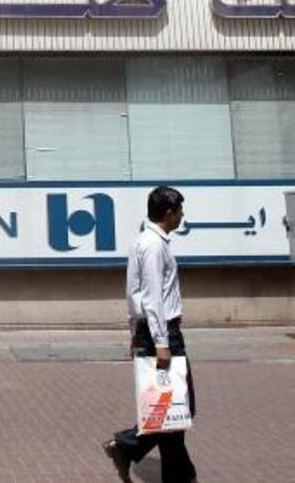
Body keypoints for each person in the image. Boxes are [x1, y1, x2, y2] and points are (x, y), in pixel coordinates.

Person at [103, 186, 197, 483]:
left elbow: (134, 293)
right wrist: (161, 343)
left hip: (150, 329)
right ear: (169, 213)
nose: (182, 216)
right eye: (180, 210)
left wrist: (134, 330)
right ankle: (127, 445)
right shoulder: (155, 245)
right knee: (178, 406)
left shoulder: (142, 241)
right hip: (163, 333)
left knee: (169, 407)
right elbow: (152, 297)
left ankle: (177, 473)